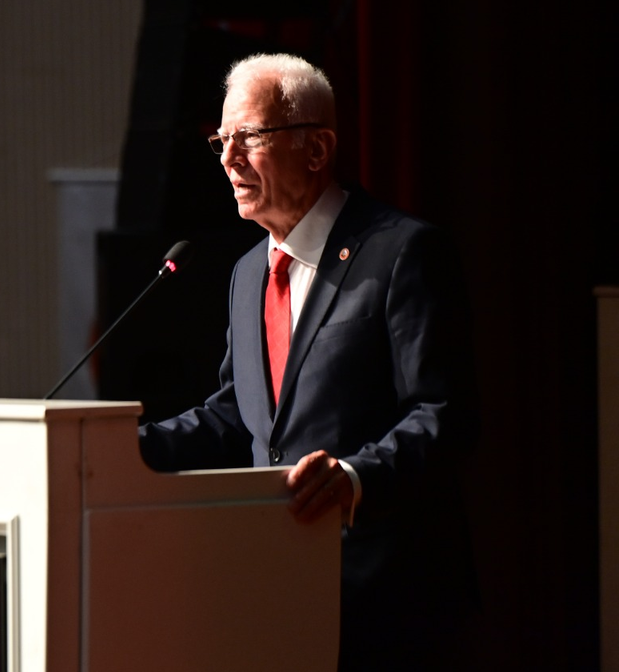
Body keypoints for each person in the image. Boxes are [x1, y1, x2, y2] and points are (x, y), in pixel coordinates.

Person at [138, 53, 479, 671]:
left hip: (386, 600)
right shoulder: (248, 272)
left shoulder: (401, 252)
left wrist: (354, 476)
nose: (228, 158)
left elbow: (444, 411)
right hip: (276, 587)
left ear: (316, 148)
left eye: (248, 137)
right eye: (221, 140)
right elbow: (239, 415)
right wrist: (118, 448)